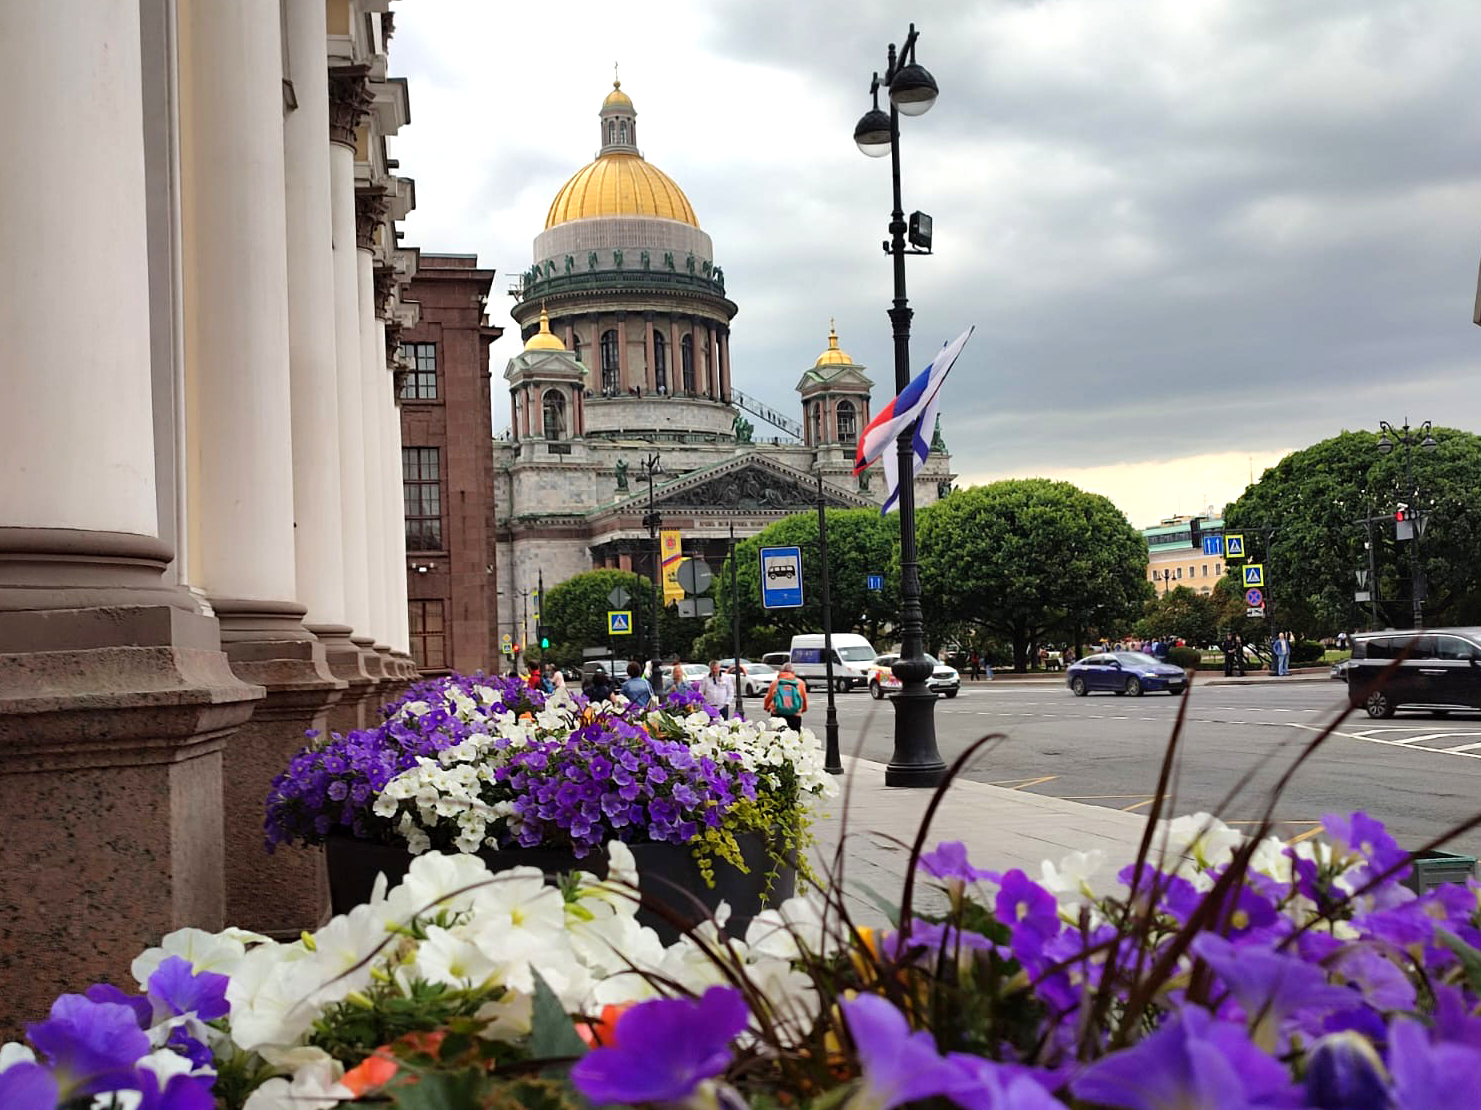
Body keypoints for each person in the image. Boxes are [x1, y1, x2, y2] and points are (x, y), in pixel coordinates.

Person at [764, 662, 808, 733]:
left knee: (778, 735)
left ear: (781, 671)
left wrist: (766, 707)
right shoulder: (800, 683)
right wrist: (804, 709)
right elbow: (804, 698)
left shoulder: (775, 683)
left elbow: (768, 697)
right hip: (795, 714)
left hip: (777, 713)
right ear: (793, 672)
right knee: (795, 735)